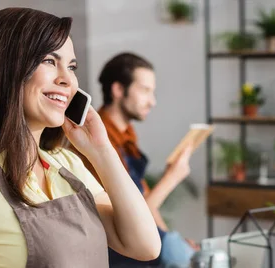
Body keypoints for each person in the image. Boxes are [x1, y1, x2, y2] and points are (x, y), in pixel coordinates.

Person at [0, 8, 162, 268]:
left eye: (71, 67)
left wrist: (101, 150)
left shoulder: (67, 165)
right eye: (50, 61)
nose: (67, 80)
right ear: (4, 69)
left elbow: (145, 246)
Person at [71, 52, 199, 268]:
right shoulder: (96, 142)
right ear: (119, 89)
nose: (152, 101)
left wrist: (170, 241)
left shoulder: (127, 136)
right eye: (145, 90)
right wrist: (172, 177)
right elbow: (133, 216)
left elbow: (145, 199)